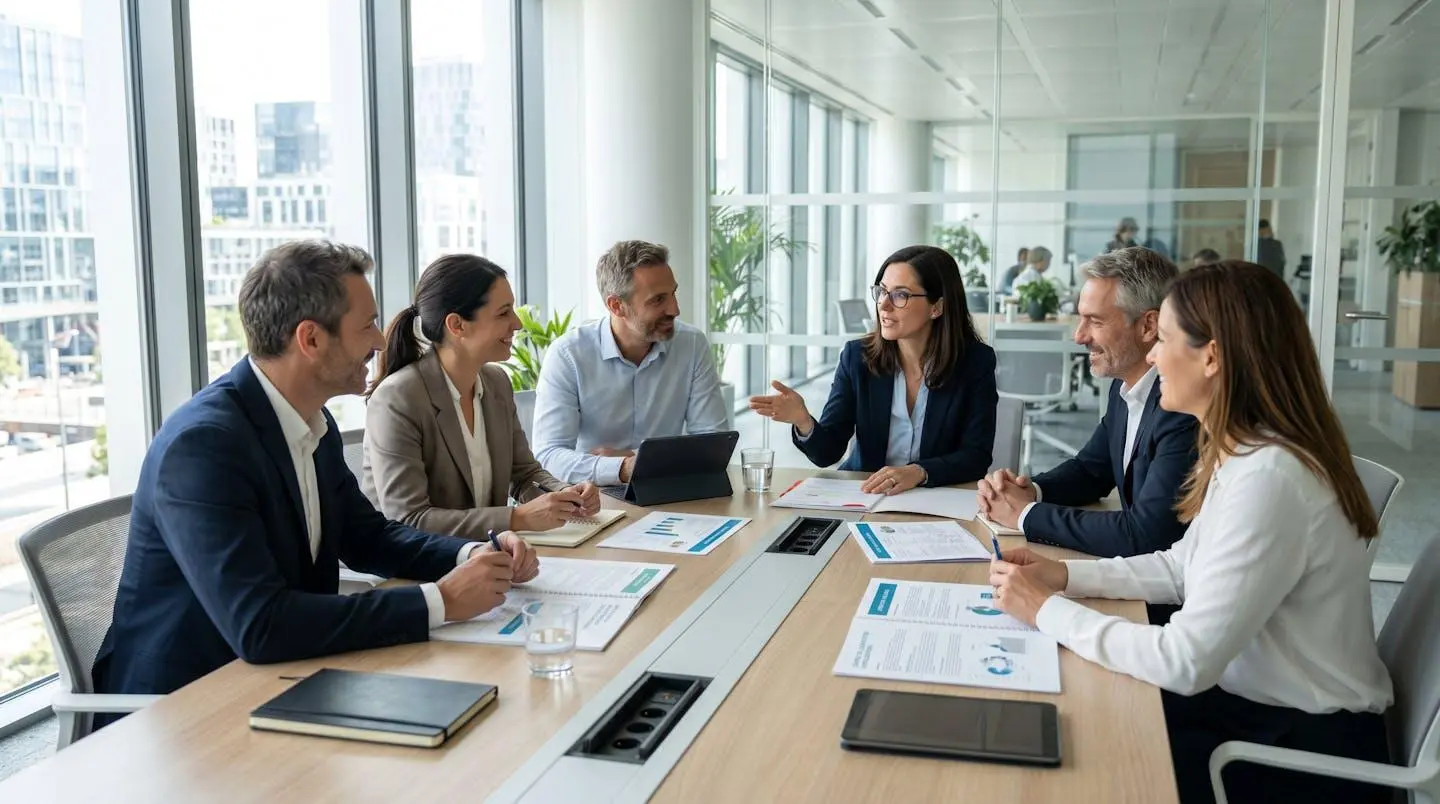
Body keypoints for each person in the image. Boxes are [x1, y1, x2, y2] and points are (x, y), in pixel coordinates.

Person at [988, 261, 1393, 804]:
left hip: (1297, 753)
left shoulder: (1271, 478)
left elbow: (1184, 662)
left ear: (1212, 356)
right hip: (1256, 708)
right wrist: (1063, 576)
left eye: (1165, 339)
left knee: (1080, 751)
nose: (1153, 356)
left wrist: (1044, 610)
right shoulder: (1250, 452)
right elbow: (1180, 567)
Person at [92, 241, 539, 709]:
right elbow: (260, 624)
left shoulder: (312, 421)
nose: (380, 341)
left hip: (288, 675)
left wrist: (472, 553)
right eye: (366, 325)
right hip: (186, 704)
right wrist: (440, 601)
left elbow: (369, 538)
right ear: (310, 340)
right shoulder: (204, 446)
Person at [978, 247, 1196, 562]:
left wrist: (1025, 515)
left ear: (1149, 326)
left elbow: (1146, 534)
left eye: (1095, 321)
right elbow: (1091, 471)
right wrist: (1031, 491)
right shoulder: (1125, 387)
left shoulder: (1182, 408)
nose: (1079, 336)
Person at [362, 254, 601, 538]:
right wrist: (516, 518)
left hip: (487, 553)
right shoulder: (398, 398)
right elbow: (409, 518)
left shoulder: (496, 382)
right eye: (503, 313)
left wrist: (566, 494)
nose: (517, 323)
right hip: (418, 560)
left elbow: (524, 474)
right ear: (457, 325)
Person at [749, 245, 997, 491]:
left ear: (937, 307)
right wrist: (803, 421)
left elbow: (976, 456)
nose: (884, 305)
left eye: (900, 295)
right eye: (882, 291)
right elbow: (828, 453)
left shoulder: (975, 362)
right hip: (864, 492)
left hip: (934, 496)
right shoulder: (857, 358)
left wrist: (919, 472)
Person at [532, 240, 727, 486]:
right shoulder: (568, 355)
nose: (675, 309)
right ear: (617, 306)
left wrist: (632, 458)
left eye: (673, 294)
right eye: (658, 300)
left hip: (667, 492)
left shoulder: (692, 344)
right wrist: (623, 469)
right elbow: (548, 456)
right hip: (592, 496)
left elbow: (714, 444)